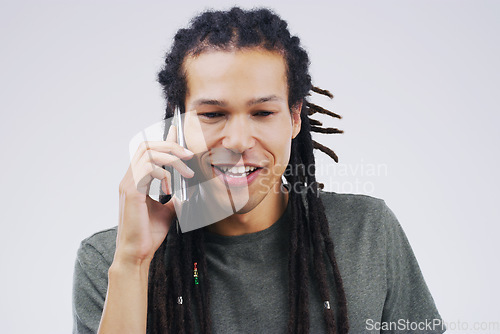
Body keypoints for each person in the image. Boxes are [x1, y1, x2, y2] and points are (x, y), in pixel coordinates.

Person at [72, 7, 445, 334]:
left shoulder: (368, 232)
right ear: (179, 122)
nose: (236, 140)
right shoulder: (108, 258)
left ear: (295, 117)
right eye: (213, 114)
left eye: (263, 113)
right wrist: (133, 263)